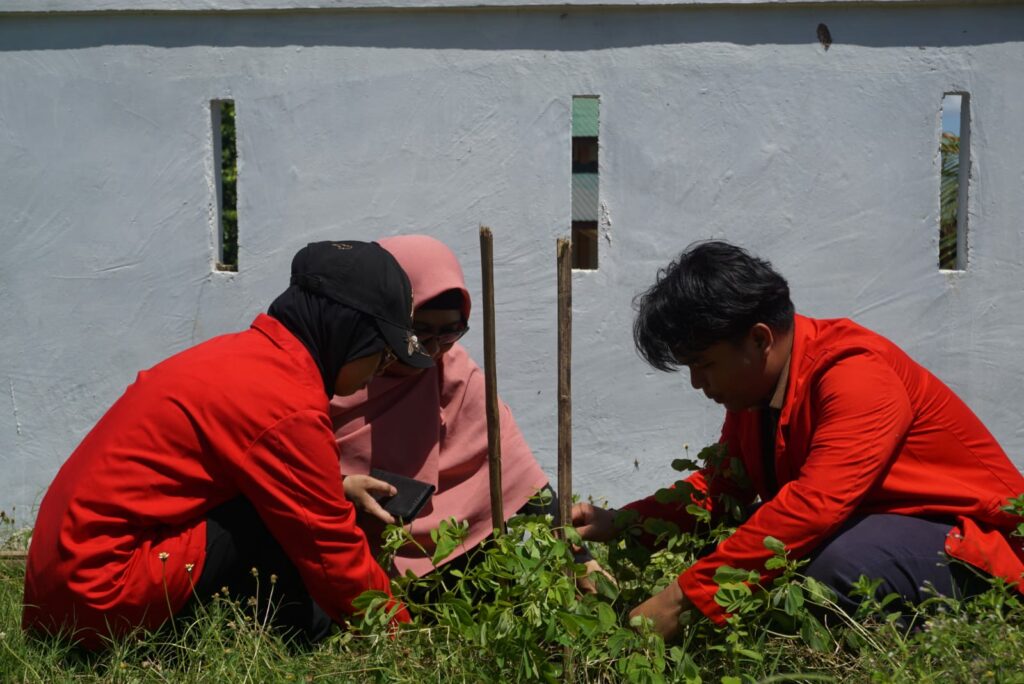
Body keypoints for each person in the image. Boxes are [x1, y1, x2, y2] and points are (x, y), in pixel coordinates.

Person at [572, 240, 1024, 639]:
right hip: (902, 537)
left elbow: (813, 507)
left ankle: (935, 649)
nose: (696, 384)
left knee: (834, 565)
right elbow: (722, 490)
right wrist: (623, 523)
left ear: (759, 339)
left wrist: (678, 601)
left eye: (705, 365)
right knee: (742, 542)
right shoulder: (758, 397)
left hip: (983, 552)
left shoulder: (856, 373)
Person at [22, 240, 434, 649]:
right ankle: (301, 631)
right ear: (351, 333)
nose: (380, 372)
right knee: (273, 523)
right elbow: (333, 553)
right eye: (383, 355)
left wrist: (336, 486)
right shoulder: (287, 405)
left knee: (269, 508)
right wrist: (406, 639)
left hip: (59, 587)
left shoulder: (248, 358)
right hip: (98, 595)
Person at [331, 235, 591, 582]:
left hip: (455, 567)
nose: (434, 349)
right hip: (347, 563)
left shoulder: (455, 376)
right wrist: (342, 486)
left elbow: (521, 475)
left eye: (450, 333)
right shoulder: (337, 375)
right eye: (419, 332)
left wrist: (582, 559)